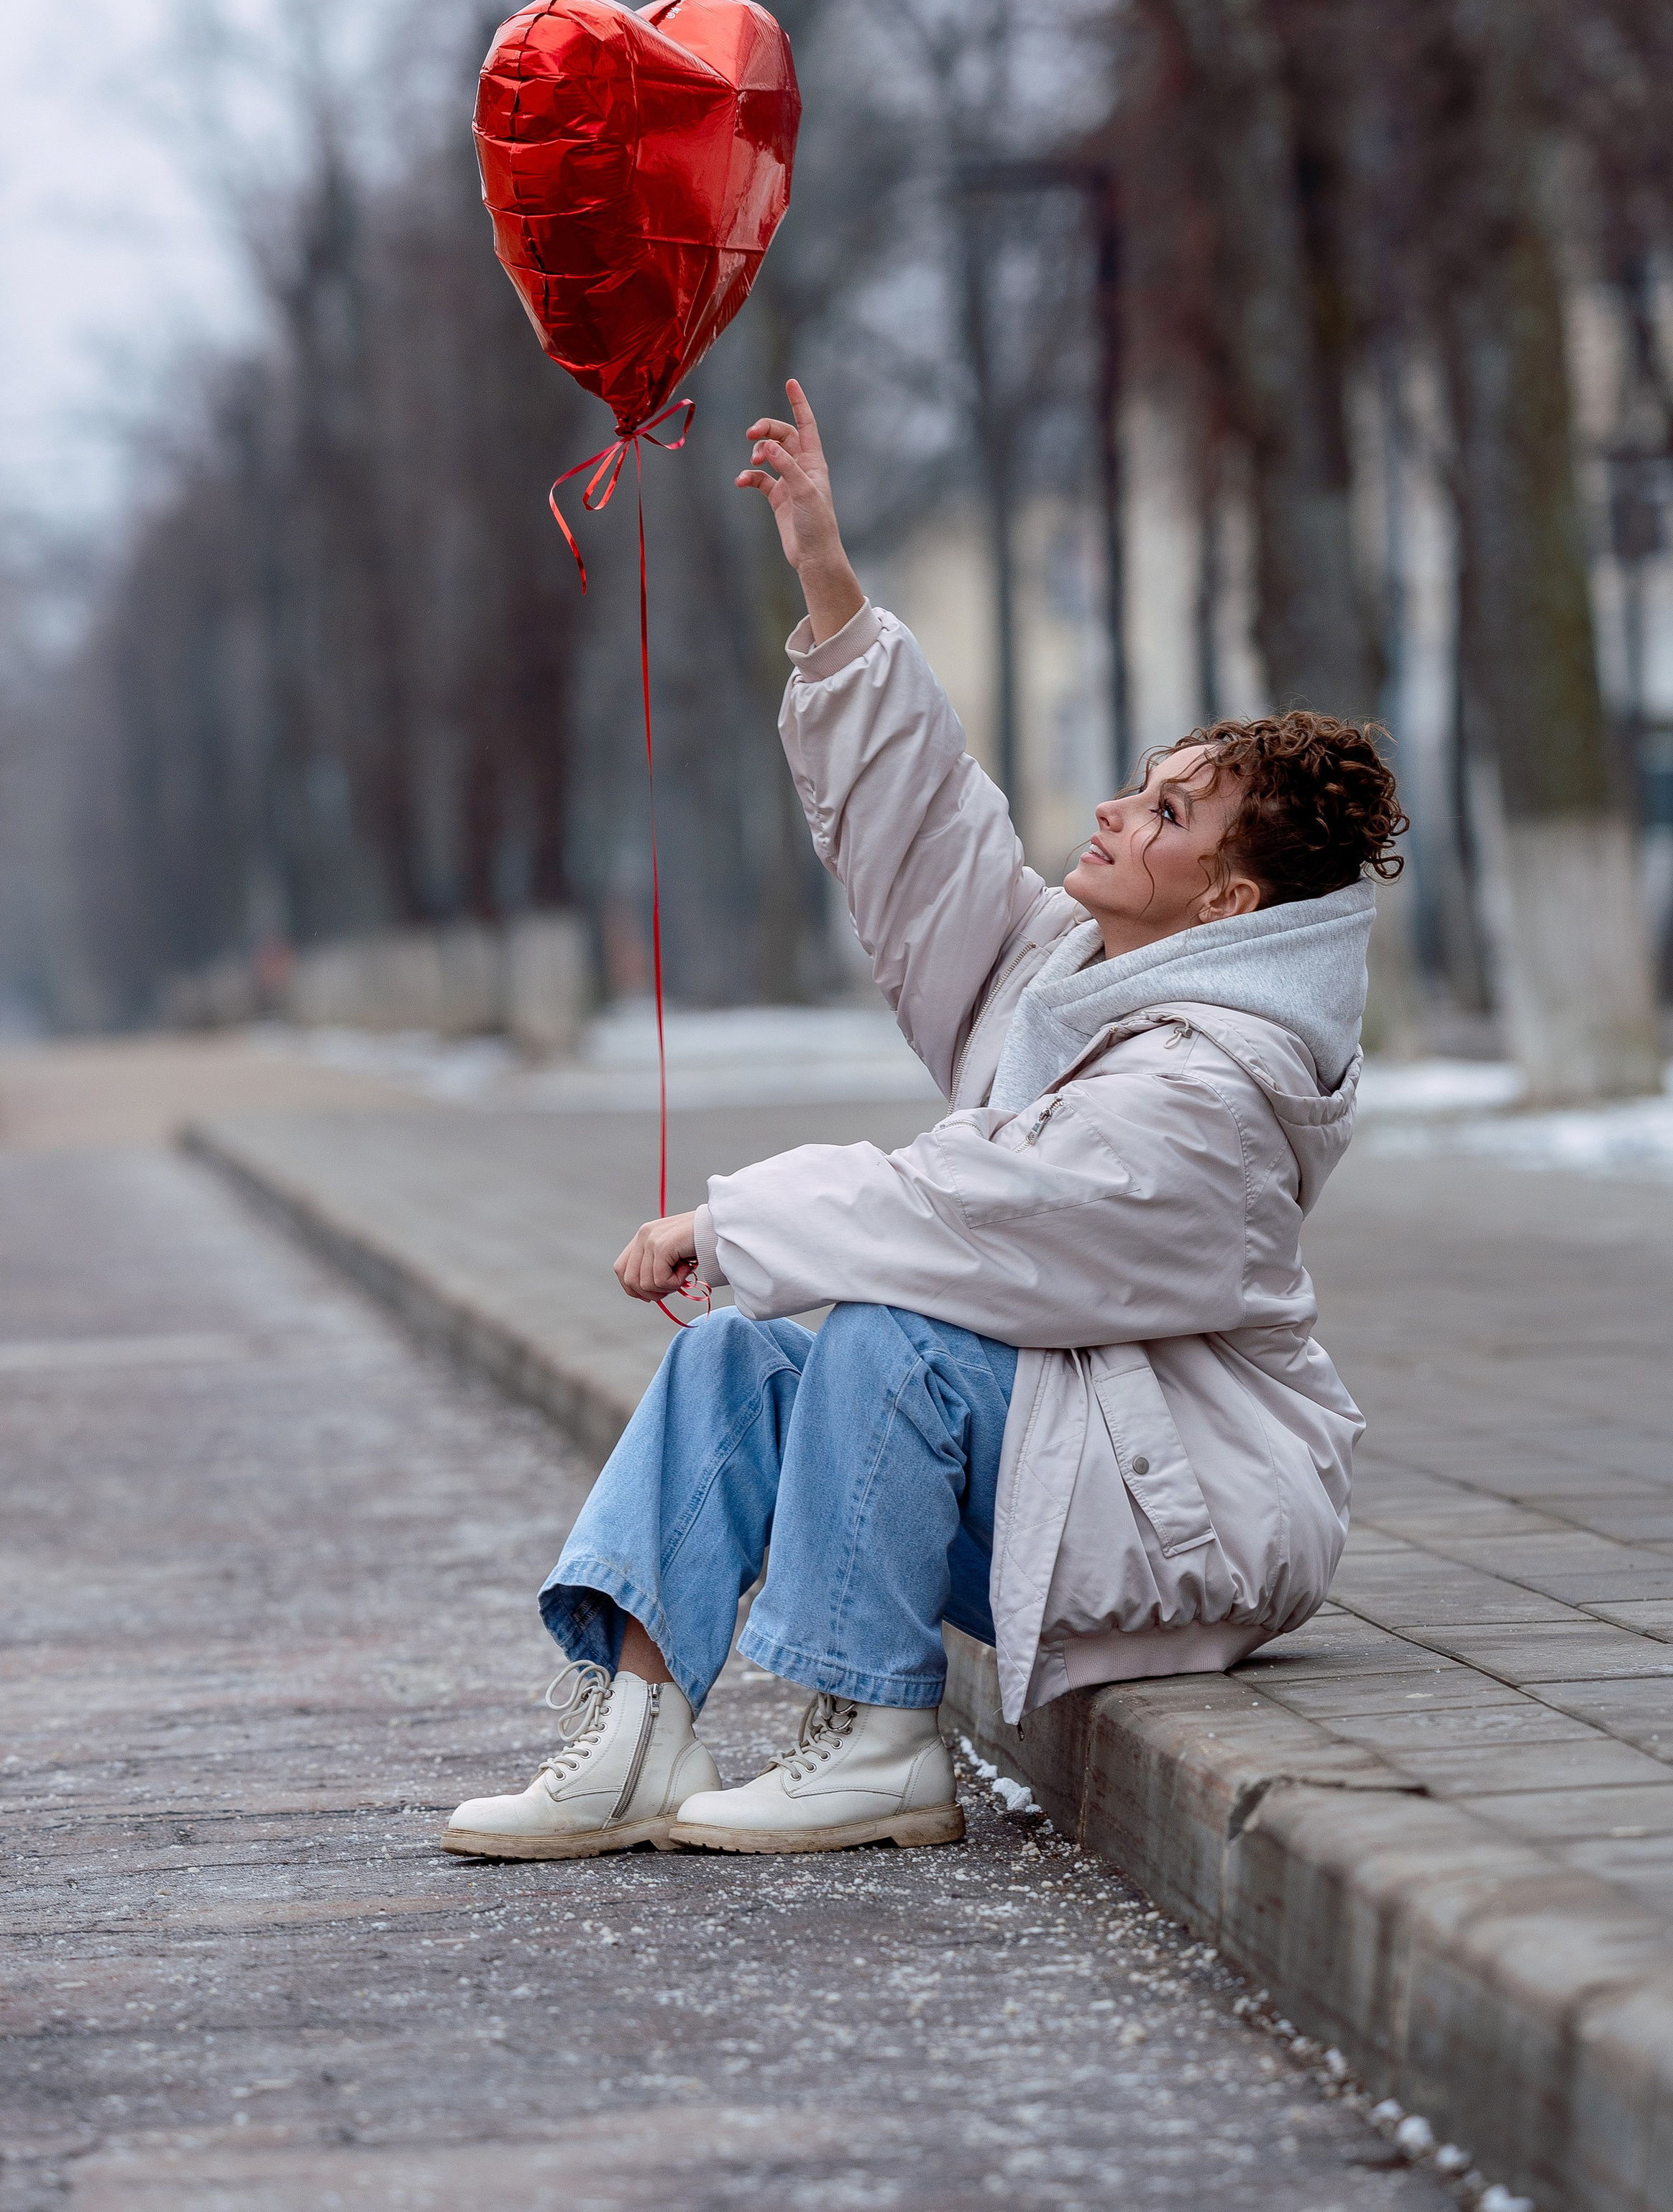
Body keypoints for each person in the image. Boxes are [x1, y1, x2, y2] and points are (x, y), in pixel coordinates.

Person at [444, 382, 1405, 1862]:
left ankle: (872, 1738)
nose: (1111, 812)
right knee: (735, 1362)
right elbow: (927, 847)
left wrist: (734, 1220)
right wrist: (828, 586)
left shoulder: (1212, 1088)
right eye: (1138, 786)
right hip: (1076, 1473)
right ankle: (635, 1730)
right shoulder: (1081, 990)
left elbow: (968, 1215)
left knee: (892, 1335)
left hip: (1189, 1526)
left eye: (1162, 816)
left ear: (1227, 904)